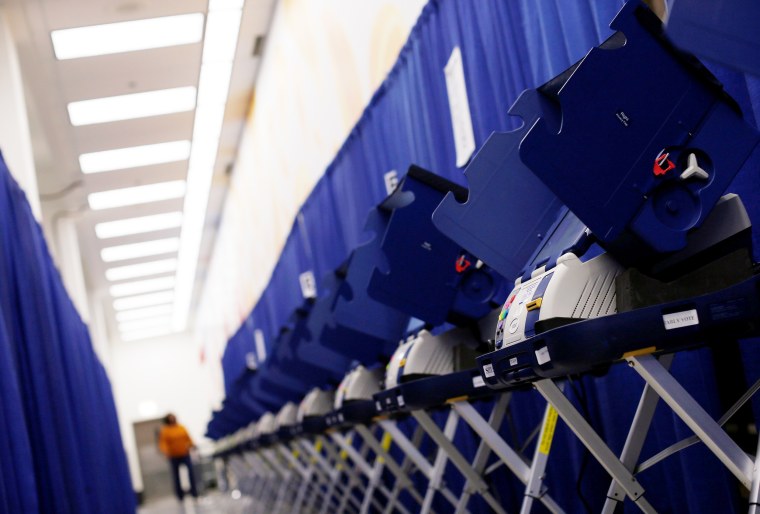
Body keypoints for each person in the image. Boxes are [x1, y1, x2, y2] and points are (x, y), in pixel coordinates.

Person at [158, 413, 198, 501]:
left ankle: (194, 493)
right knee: (176, 476)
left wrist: (192, 445)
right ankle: (180, 496)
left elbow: (188, 438)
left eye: (173, 418)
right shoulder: (165, 430)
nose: (172, 419)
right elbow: (163, 443)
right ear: (167, 420)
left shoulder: (181, 427)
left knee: (191, 473)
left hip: (184, 454)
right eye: (170, 418)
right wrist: (165, 452)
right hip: (173, 456)